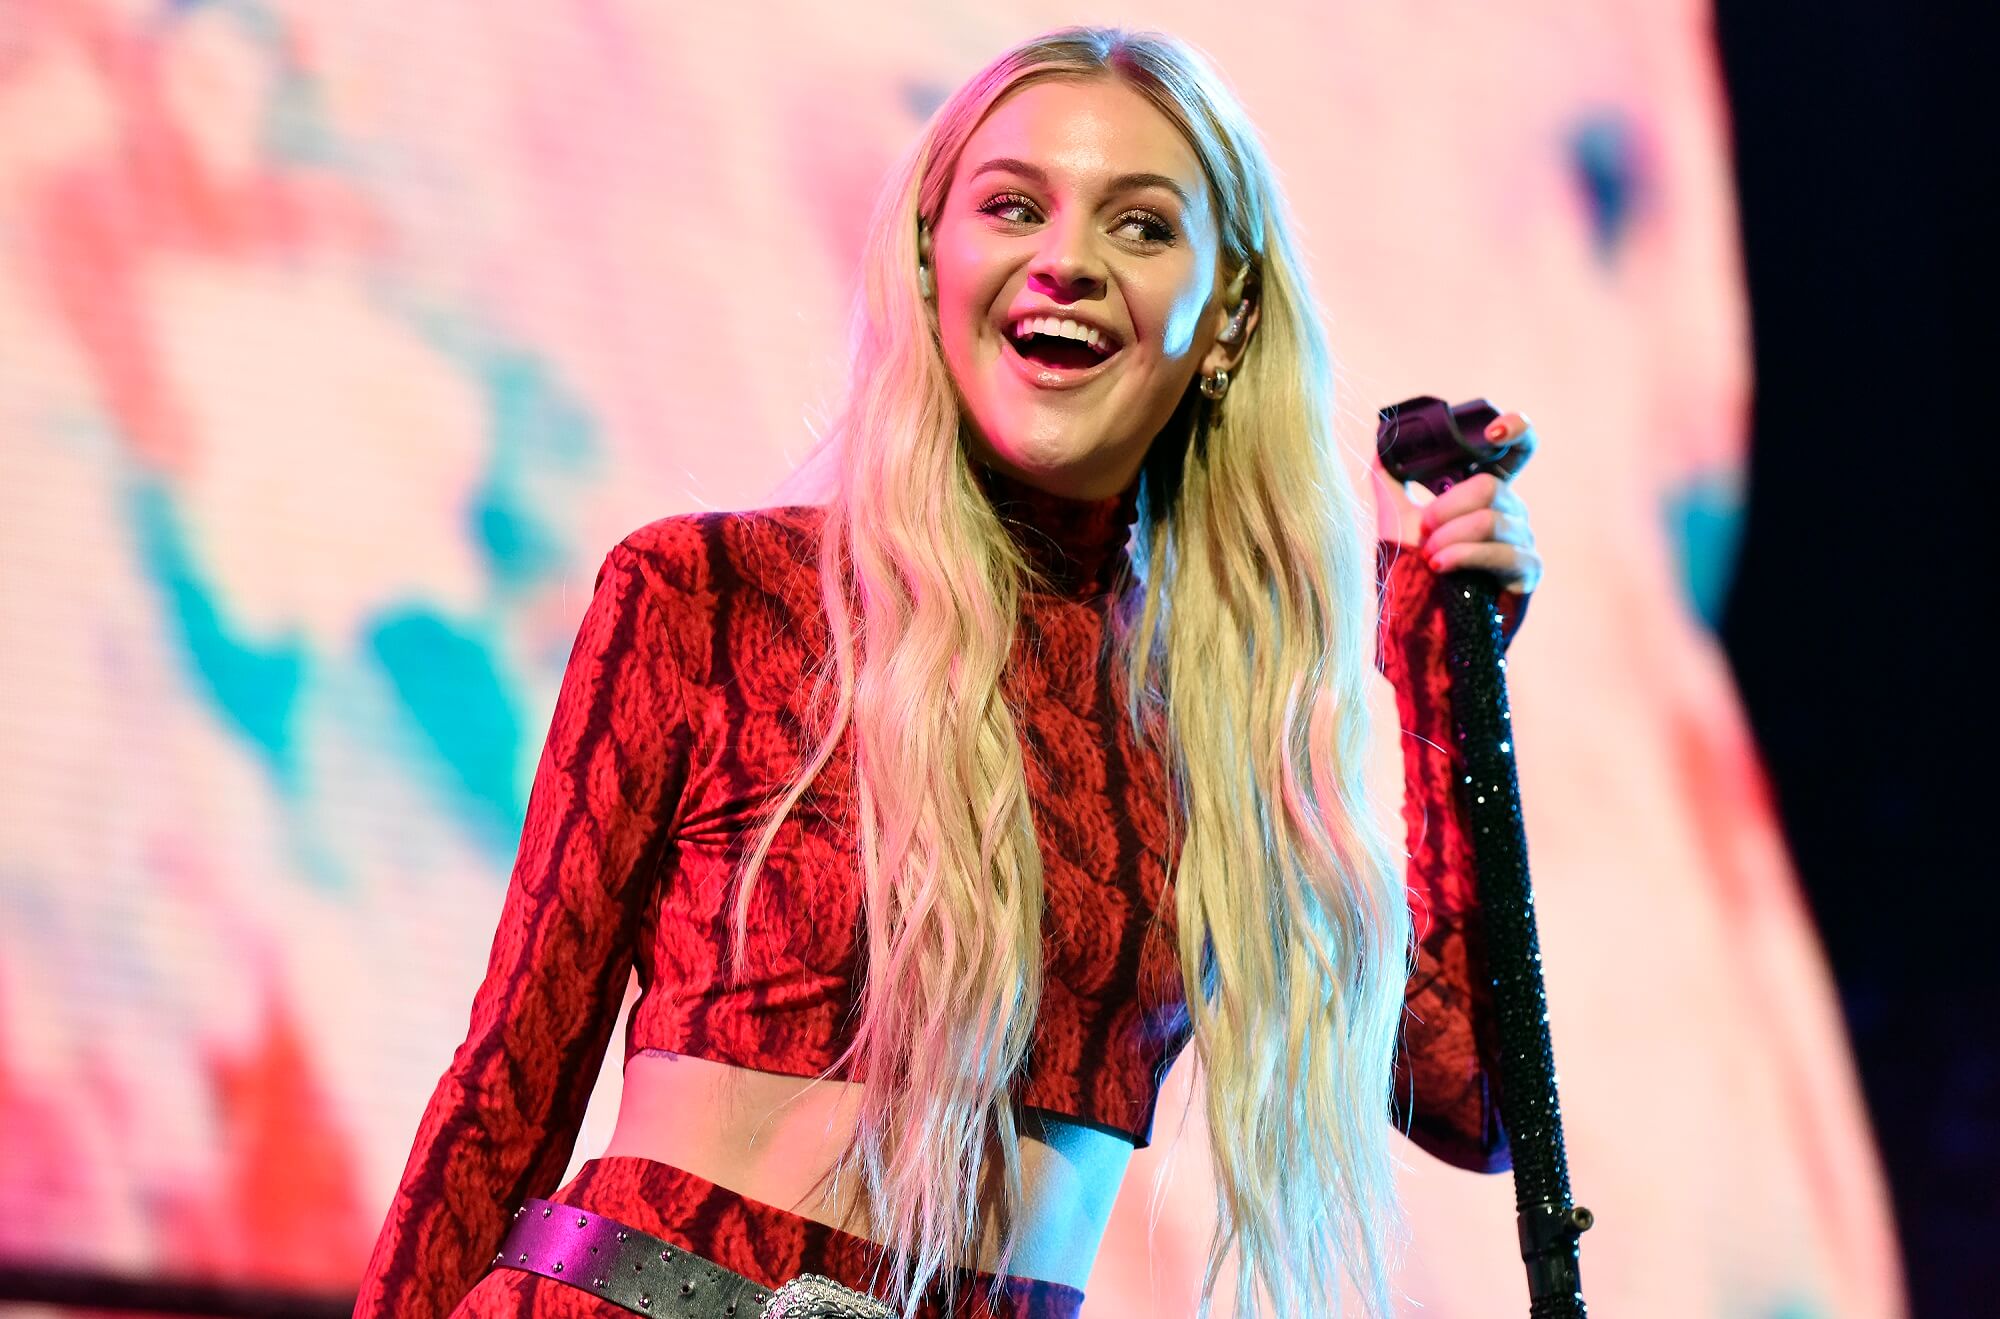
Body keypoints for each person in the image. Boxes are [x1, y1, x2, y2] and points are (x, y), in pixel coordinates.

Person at [354, 25, 1543, 1319]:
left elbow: (1476, 1094)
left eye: (1141, 226)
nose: (1068, 259)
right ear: (933, 263)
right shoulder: (710, 600)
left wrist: (1438, 677)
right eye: (1013, 206)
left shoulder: (1221, 726)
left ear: (1227, 319)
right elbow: (507, 1093)